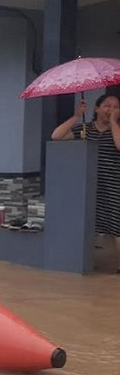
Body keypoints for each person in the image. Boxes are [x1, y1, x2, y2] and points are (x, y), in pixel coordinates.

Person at [51, 94, 120, 274]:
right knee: (90, 225)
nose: (111, 110)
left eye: (116, 107)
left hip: (113, 186)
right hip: (90, 185)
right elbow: (56, 136)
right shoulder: (85, 129)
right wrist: (76, 115)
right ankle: (86, 263)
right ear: (97, 109)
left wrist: (114, 123)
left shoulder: (117, 130)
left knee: (117, 225)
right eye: (107, 106)